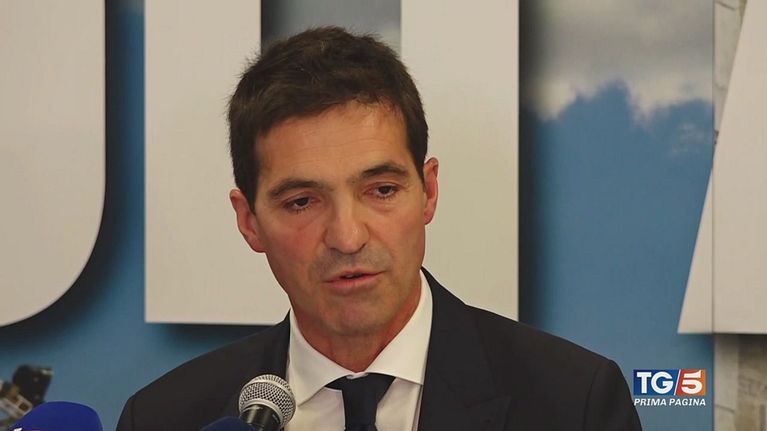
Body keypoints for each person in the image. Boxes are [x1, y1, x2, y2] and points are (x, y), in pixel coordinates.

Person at [117, 27, 642, 430]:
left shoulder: (573, 404)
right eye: (302, 202)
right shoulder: (167, 418)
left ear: (428, 191)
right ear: (249, 222)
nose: (348, 238)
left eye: (382, 190)